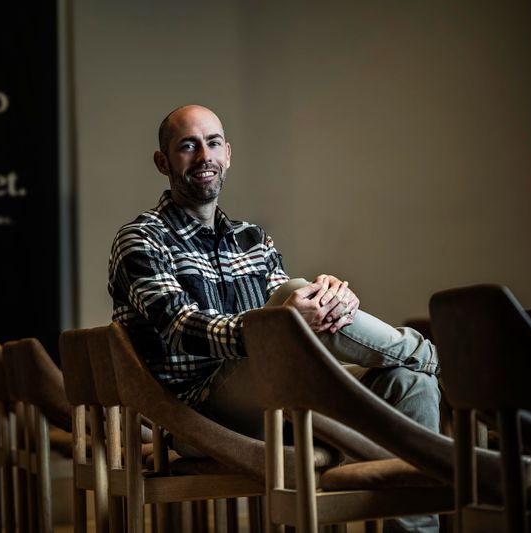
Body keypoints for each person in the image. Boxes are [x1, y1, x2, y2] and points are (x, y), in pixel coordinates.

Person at [108, 104, 440, 532]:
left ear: (228, 154)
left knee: (411, 382)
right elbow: (180, 326)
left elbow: (297, 311)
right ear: (163, 161)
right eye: (188, 146)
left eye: (213, 143)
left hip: (277, 398)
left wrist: (331, 298)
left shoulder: (253, 238)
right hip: (197, 413)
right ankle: (436, 358)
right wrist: (279, 321)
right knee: (288, 305)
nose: (204, 156)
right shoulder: (140, 239)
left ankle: (425, 374)